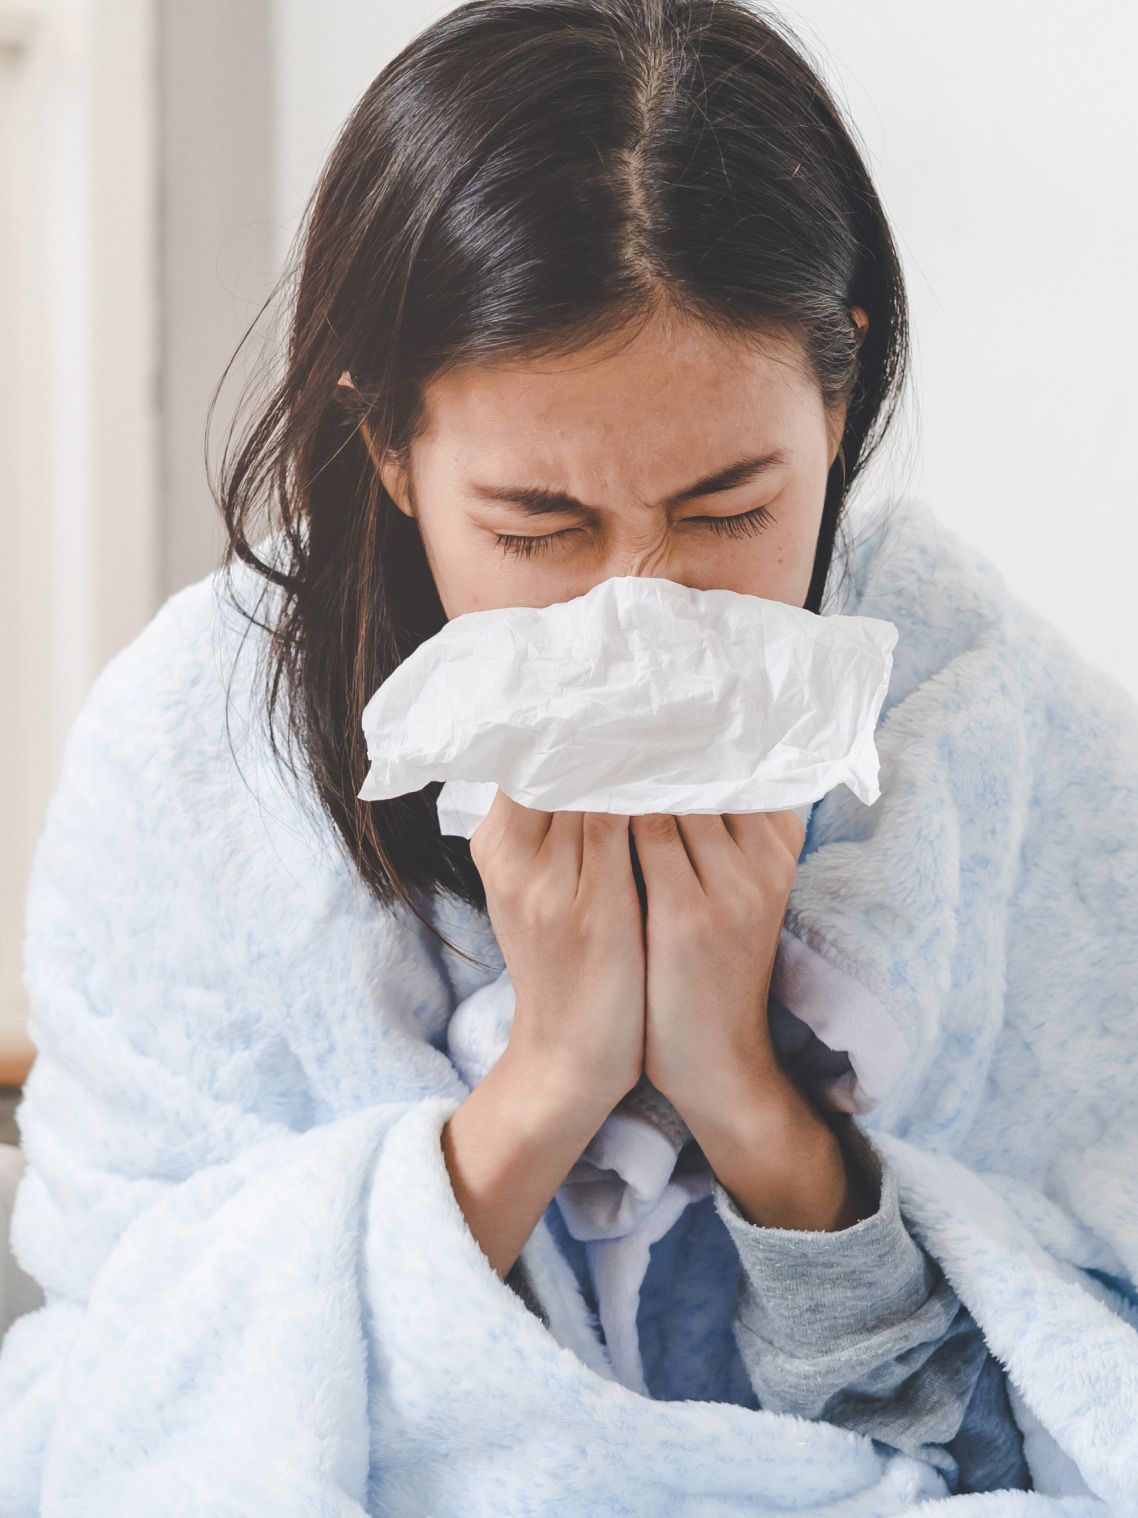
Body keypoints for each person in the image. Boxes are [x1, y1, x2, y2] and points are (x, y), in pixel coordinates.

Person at [0, 0, 1049, 1506]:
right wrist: (548, 1078)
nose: (637, 612)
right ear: (386, 444)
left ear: (836, 398)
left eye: (728, 505)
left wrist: (745, 1096)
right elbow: (140, 1422)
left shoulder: (970, 709)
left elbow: (1053, 1402)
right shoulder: (193, 756)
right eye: (537, 528)